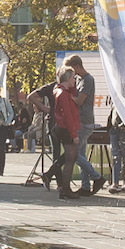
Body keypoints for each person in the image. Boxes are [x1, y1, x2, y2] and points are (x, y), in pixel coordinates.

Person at [65, 56, 103, 194]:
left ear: (77, 66)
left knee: (74, 153)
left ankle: (96, 177)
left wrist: (66, 96)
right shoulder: (80, 80)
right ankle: (86, 186)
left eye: (71, 70)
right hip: (80, 121)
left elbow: (79, 101)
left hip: (84, 121)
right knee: (80, 153)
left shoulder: (88, 80)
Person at [50, 67, 84, 198]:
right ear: (66, 78)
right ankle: (65, 189)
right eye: (72, 78)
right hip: (66, 128)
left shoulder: (61, 91)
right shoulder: (63, 94)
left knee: (70, 158)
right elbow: (68, 115)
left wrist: (72, 87)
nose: (74, 80)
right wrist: (74, 134)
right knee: (70, 159)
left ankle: (64, 187)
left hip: (63, 127)